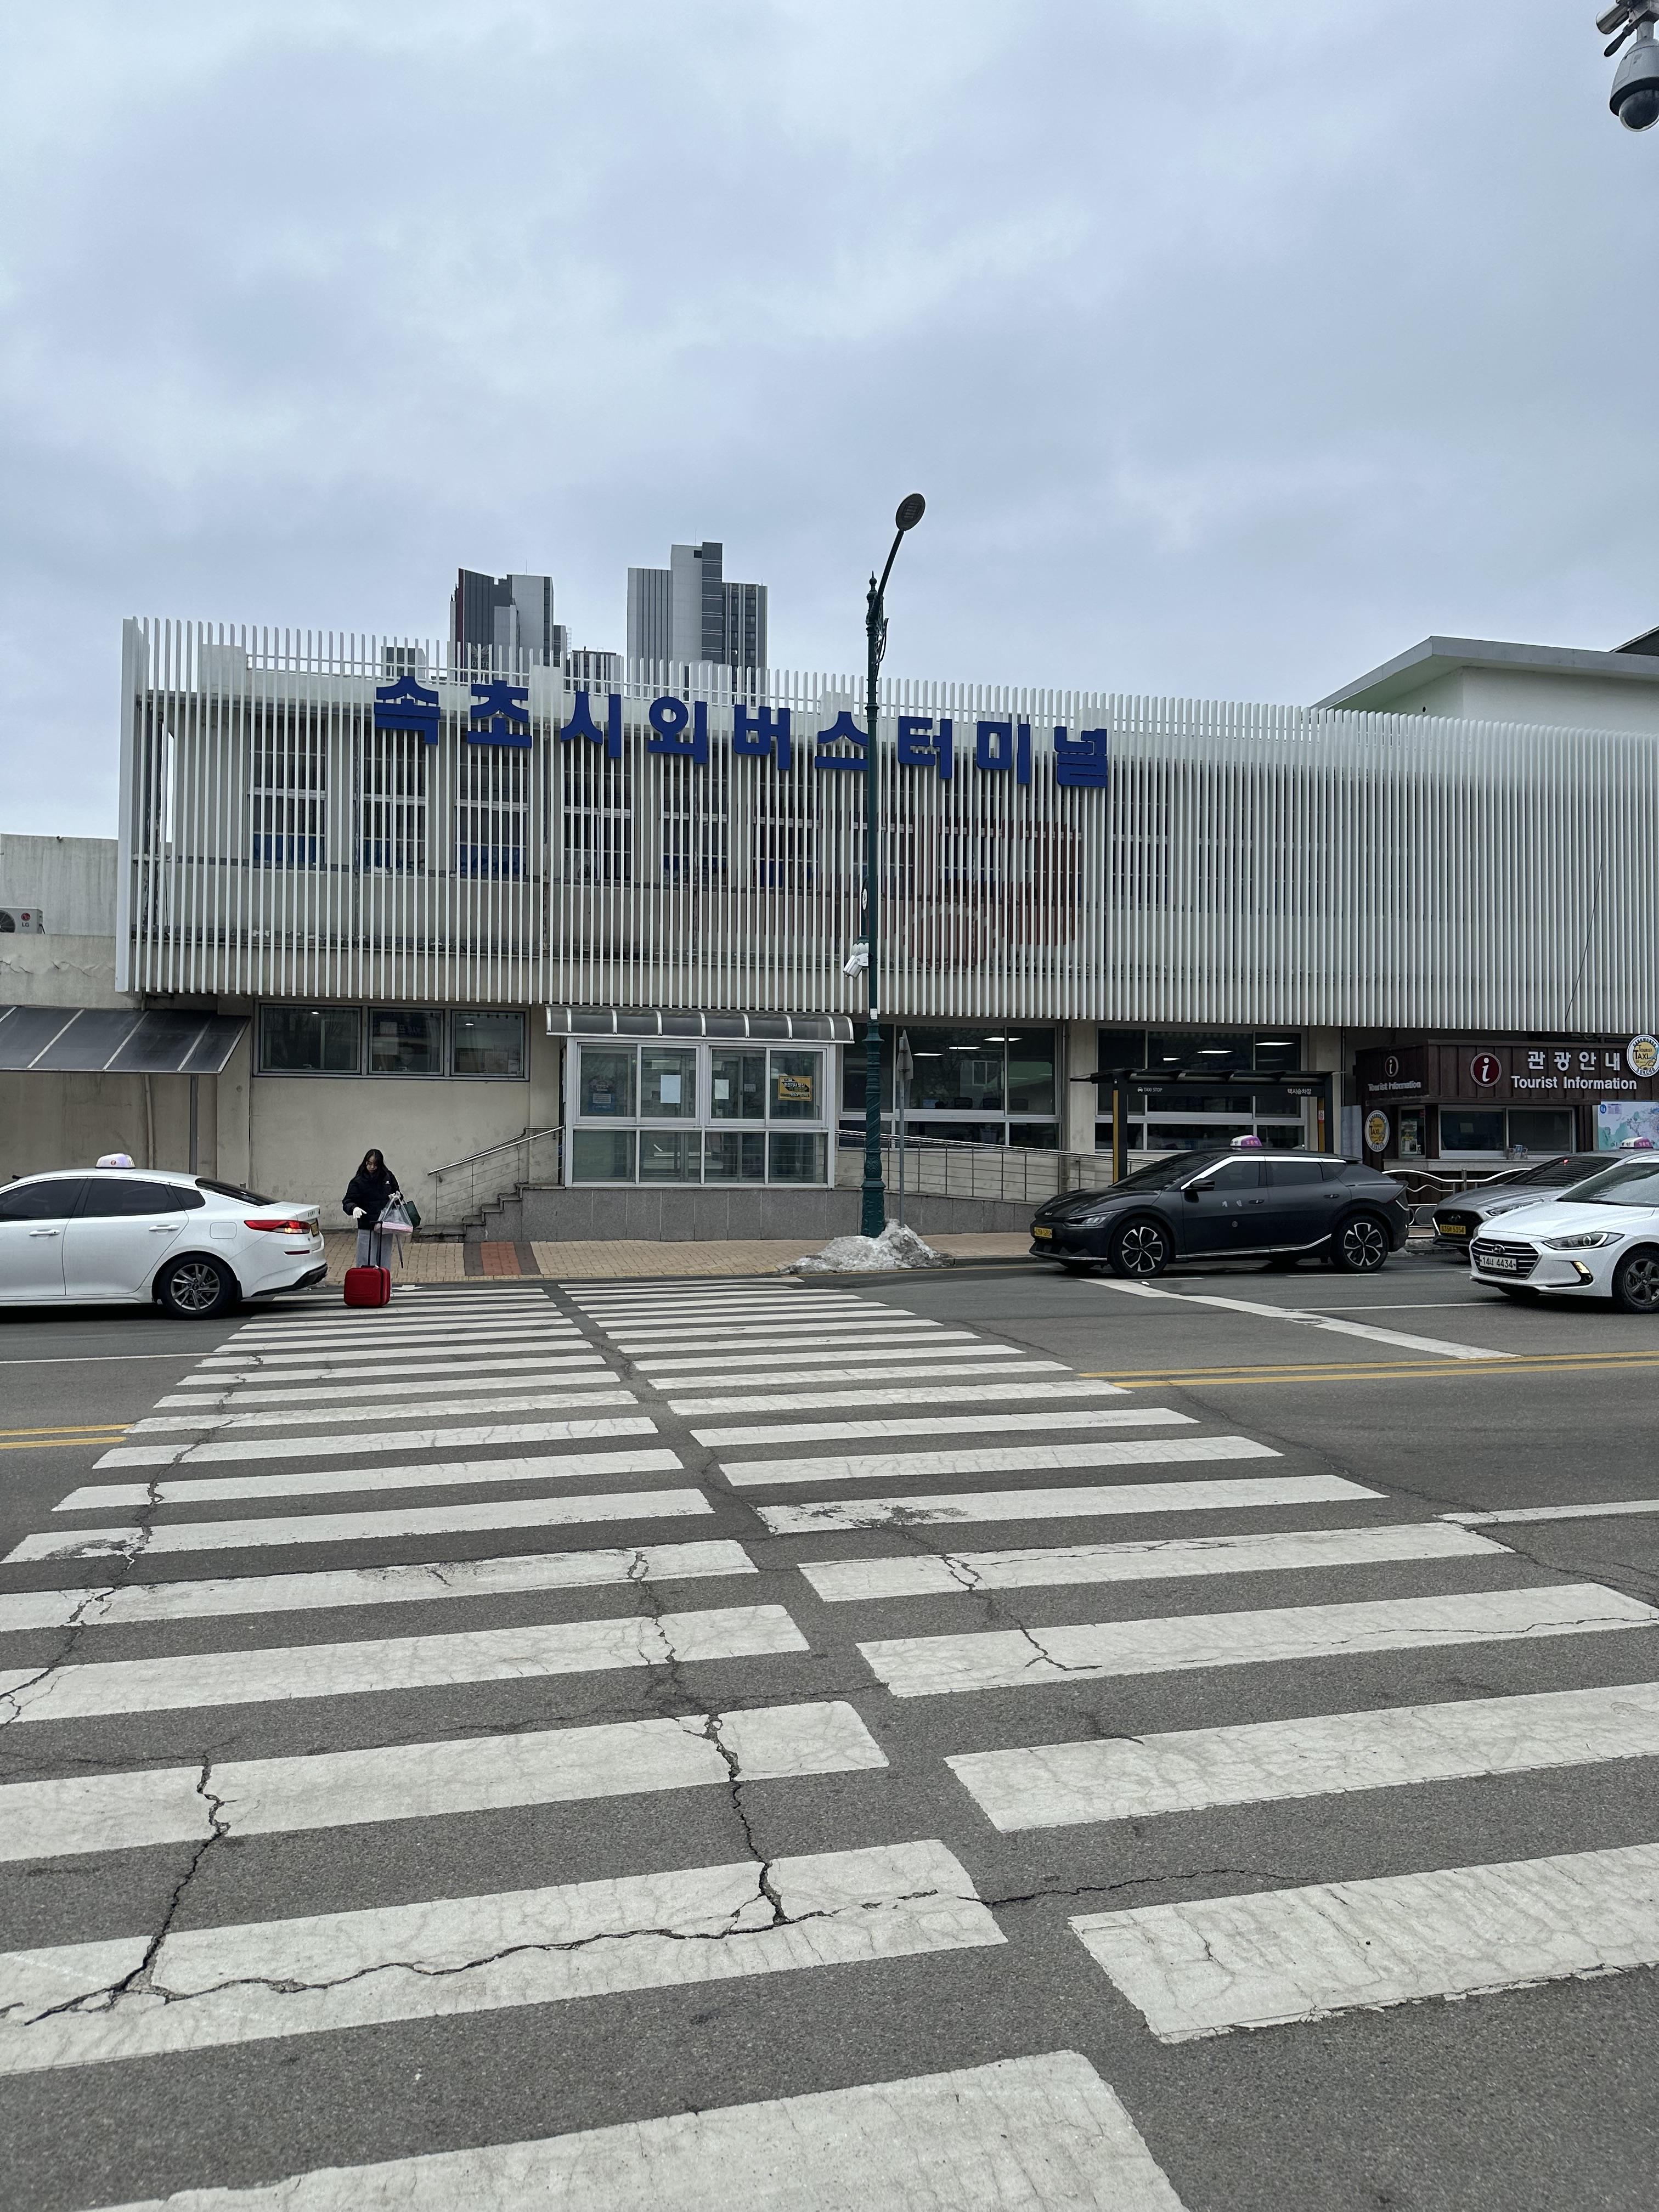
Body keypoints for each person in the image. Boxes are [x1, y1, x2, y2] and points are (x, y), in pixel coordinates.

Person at [342, 1148, 402, 1269]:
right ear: (365, 1162)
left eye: (375, 1164)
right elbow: (348, 1201)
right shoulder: (358, 1181)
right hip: (367, 1225)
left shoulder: (388, 1176)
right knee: (366, 1261)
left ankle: (384, 1281)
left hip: (385, 1225)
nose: (372, 1167)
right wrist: (354, 1208)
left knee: (385, 1261)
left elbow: (398, 1193)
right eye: (370, 1164)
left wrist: (397, 1197)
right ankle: (367, 1282)